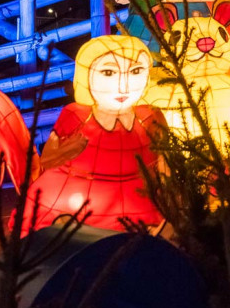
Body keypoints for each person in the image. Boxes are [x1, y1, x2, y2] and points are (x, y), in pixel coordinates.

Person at [19, 35, 164, 234]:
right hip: (80, 191)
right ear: (86, 75)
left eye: (136, 71)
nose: (123, 86)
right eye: (108, 72)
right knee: (62, 228)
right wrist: (66, 151)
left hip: (136, 192)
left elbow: (164, 157)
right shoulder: (77, 114)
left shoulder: (149, 114)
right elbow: (48, 160)